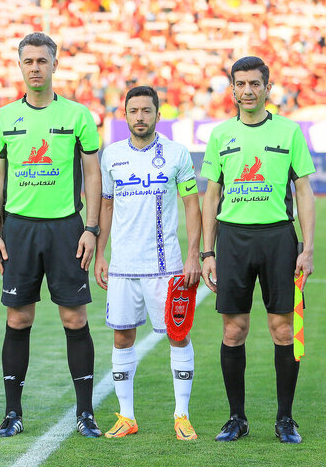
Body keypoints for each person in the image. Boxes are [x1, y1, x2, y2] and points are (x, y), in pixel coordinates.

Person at [0, 32, 102, 438]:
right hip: (18, 229)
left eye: (42, 60)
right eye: (28, 61)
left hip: (66, 228)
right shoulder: (3, 118)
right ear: (20, 65)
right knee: (18, 318)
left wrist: (91, 228)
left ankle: (85, 413)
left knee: (75, 317)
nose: (35, 67)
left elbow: (91, 172)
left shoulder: (77, 116)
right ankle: (12, 413)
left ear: (55, 64)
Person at [201, 56, 316, 444]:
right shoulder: (220, 135)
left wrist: (308, 247)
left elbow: (303, 190)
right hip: (232, 240)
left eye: (255, 84)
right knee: (234, 331)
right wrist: (207, 252)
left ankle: (285, 419)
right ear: (231, 89)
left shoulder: (289, 132)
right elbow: (211, 195)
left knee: (282, 330)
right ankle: (237, 418)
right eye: (241, 84)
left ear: (268, 88)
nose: (247, 91)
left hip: (278, 239)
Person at [94, 86, 202, 441]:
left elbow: (191, 206)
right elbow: (106, 207)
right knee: (122, 338)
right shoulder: (111, 155)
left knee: (177, 336)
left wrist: (192, 255)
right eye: (134, 110)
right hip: (124, 268)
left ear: (158, 114)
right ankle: (127, 417)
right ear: (124, 115)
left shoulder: (176, 154)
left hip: (166, 266)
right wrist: (100, 254)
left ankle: (181, 415)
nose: (140, 117)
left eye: (146, 110)